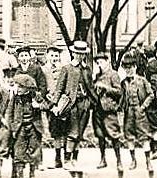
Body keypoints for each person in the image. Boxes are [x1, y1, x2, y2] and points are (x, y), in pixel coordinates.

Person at [50, 40, 93, 170]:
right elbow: (59, 88)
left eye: (82, 54)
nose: (80, 56)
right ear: (73, 53)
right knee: (72, 132)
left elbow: (90, 87)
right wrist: (54, 104)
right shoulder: (67, 68)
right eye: (77, 53)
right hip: (71, 104)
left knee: (80, 133)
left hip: (84, 104)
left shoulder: (87, 69)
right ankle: (67, 159)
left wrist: (91, 102)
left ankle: (74, 158)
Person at [120, 52, 154, 172]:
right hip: (128, 113)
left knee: (144, 137)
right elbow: (120, 98)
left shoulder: (142, 81)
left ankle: (148, 162)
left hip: (140, 113)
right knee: (129, 137)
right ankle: (133, 160)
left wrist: (143, 106)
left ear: (135, 67)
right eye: (126, 68)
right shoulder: (123, 83)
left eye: (131, 67)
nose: (129, 70)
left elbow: (151, 94)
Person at [7, 74, 44, 178]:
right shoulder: (15, 98)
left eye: (20, 86)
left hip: (34, 126)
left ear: (27, 87)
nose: (17, 89)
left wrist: (39, 106)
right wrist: (12, 127)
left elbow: (46, 105)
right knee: (19, 151)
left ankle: (32, 174)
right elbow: (9, 113)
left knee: (34, 151)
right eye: (16, 86)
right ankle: (20, 175)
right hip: (20, 127)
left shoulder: (35, 96)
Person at [91, 52, 123, 170]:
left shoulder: (113, 74)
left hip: (109, 110)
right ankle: (102, 159)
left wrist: (106, 88)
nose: (100, 65)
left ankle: (119, 161)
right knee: (100, 135)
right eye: (98, 63)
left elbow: (119, 92)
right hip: (97, 109)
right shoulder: (97, 76)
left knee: (114, 135)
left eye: (102, 62)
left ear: (107, 62)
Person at [40, 45, 66, 169]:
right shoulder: (43, 69)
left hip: (62, 104)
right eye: (52, 55)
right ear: (47, 56)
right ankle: (57, 157)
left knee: (64, 129)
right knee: (55, 131)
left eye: (56, 55)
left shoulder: (63, 69)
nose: (54, 58)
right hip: (50, 104)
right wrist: (46, 97)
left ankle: (65, 156)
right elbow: (41, 86)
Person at [144, 45, 157, 160]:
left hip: (154, 100)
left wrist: (150, 94)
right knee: (152, 124)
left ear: (146, 54)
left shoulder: (151, 66)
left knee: (153, 124)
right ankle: (154, 149)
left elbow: (154, 82)